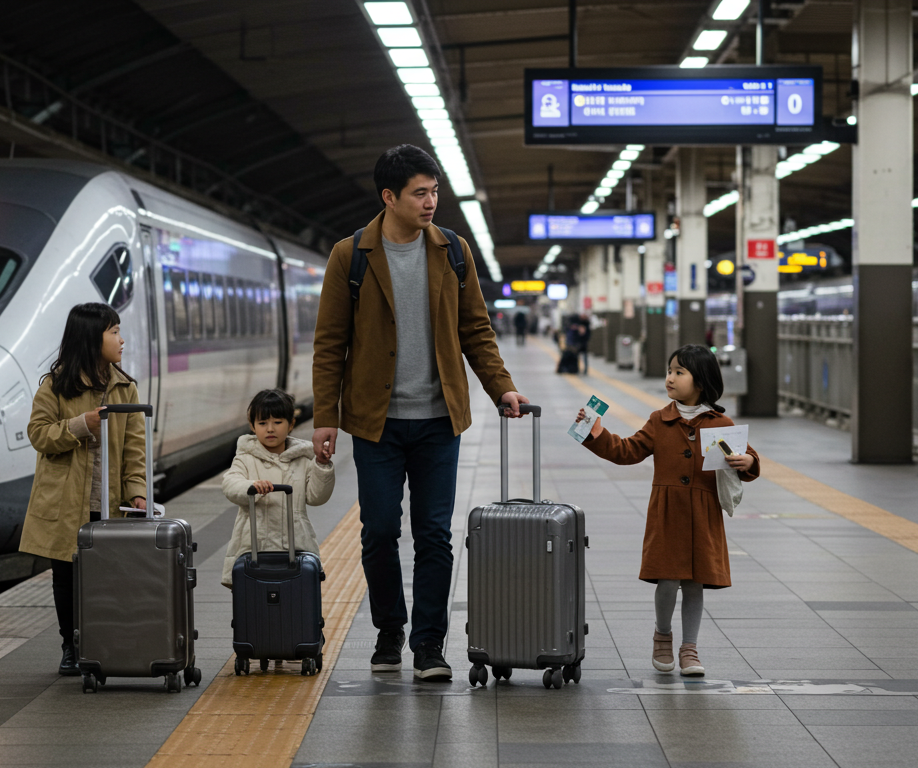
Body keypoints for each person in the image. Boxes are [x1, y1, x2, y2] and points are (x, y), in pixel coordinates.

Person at [312, 144, 530, 682]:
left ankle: (429, 644)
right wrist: (324, 416)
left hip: (438, 420)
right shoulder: (350, 255)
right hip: (375, 422)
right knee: (379, 531)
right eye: (420, 193)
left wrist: (502, 387)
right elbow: (330, 342)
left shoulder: (453, 250)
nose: (431, 202)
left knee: (434, 534)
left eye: (434, 192)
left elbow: (475, 329)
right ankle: (390, 630)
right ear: (389, 197)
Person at [573, 344, 760, 677]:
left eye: (679, 372)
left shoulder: (720, 423)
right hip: (668, 513)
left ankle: (690, 648)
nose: (670, 378)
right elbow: (627, 451)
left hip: (703, 515)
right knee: (668, 579)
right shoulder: (659, 420)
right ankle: (662, 635)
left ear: (701, 380)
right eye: (670, 371)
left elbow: (744, 458)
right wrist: (596, 435)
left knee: (695, 583)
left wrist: (748, 461)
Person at [19, 303, 148, 676]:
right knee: (66, 576)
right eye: (114, 332)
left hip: (109, 499)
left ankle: (102, 642)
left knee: (106, 576)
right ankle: (71, 646)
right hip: (66, 500)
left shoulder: (126, 388)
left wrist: (137, 490)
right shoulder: (56, 385)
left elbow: (135, 449)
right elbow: (38, 435)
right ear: (92, 338)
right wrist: (80, 424)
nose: (121, 340)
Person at [219, 389, 335, 588]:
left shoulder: (304, 459)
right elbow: (230, 483)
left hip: (296, 546)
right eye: (262, 423)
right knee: (255, 599)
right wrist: (251, 487)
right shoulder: (245, 458)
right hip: (253, 548)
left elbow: (317, 497)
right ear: (252, 426)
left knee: (295, 598)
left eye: (278, 422)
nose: (270, 429)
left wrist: (322, 466)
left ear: (291, 424)